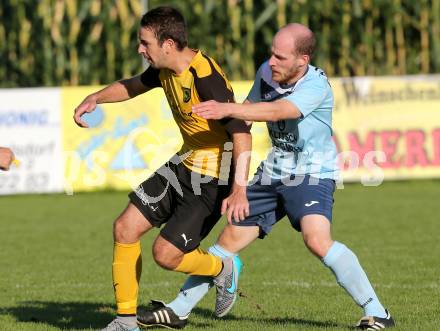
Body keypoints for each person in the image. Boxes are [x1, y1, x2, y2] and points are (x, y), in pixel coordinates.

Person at [138, 23, 395, 330]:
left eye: (281, 57)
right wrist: (238, 179)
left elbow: (277, 112)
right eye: (271, 54)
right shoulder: (267, 71)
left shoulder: (316, 86)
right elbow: (247, 113)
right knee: (228, 240)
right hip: (273, 172)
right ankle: (178, 310)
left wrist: (224, 108)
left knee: (316, 240)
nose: (272, 61)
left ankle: (378, 313)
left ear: (302, 61)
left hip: (311, 175)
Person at [73, 7, 251, 331]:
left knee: (165, 255)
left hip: (212, 178)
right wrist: (95, 97)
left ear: (168, 43)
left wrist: (239, 189)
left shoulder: (205, 77)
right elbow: (132, 86)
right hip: (183, 163)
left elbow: (241, 133)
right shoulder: (165, 69)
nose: (141, 49)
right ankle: (125, 322)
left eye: (145, 43)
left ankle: (221, 267)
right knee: (125, 227)